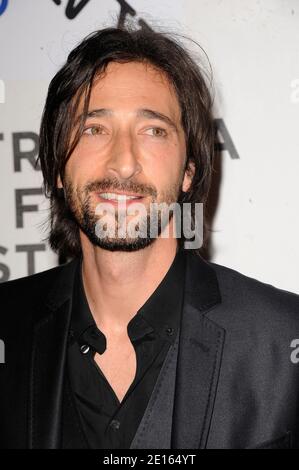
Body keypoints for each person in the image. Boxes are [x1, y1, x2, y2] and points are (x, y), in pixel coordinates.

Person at [0, 26, 299, 450]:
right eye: (94, 129)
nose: (123, 164)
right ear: (56, 167)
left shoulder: (282, 342)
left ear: (189, 171)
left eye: (153, 130)